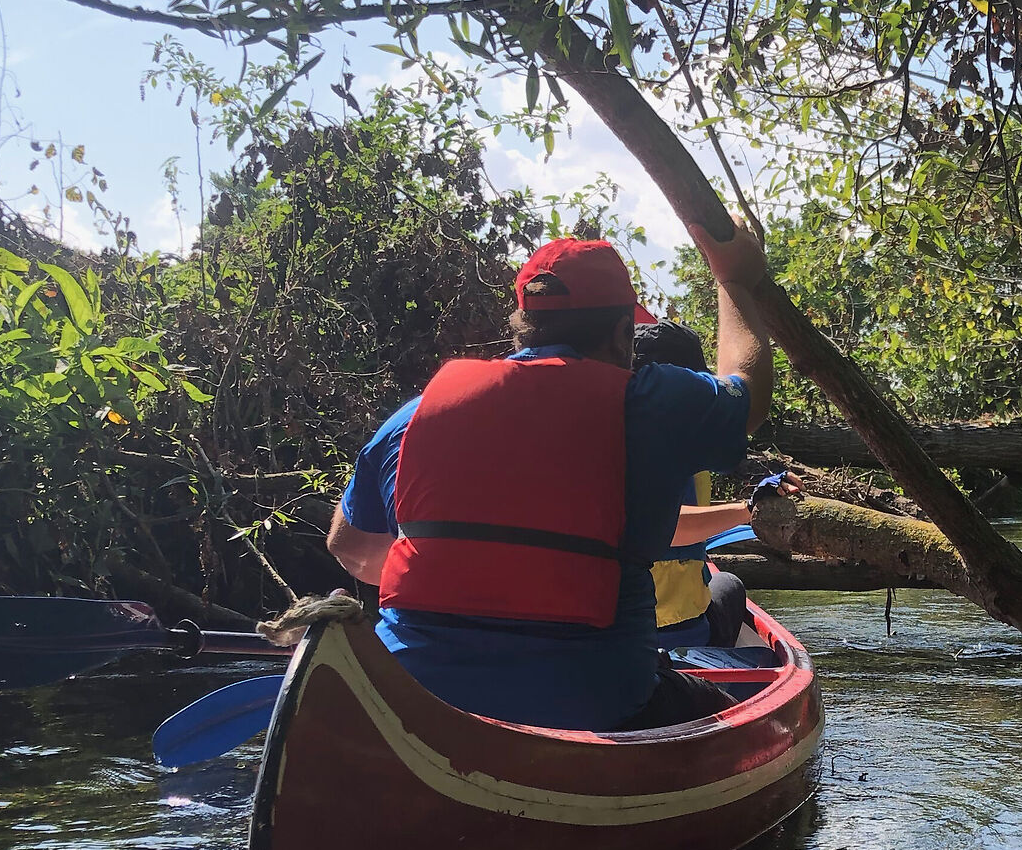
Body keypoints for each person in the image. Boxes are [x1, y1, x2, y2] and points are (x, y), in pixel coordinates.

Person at [324, 226, 774, 730]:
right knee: (744, 720)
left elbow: (352, 550)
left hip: (413, 694)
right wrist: (733, 280)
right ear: (624, 334)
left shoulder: (416, 415)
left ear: (522, 327)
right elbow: (751, 392)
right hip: (598, 703)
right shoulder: (649, 406)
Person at [636, 319, 757, 650]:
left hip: (621, 629)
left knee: (724, 585)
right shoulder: (681, 442)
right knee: (729, 585)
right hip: (676, 629)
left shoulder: (613, 434)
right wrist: (746, 511)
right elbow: (668, 526)